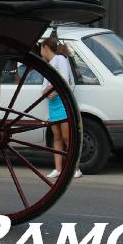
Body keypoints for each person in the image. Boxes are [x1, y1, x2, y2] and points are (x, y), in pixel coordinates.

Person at [40, 35, 82, 179]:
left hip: (63, 102)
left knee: (67, 137)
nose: (40, 51)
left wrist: (51, 89)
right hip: (53, 104)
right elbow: (44, 86)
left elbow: (64, 79)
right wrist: (47, 91)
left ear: (46, 48)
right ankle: (58, 169)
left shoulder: (61, 60)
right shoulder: (48, 64)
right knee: (56, 137)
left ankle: (75, 168)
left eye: (41, 48)